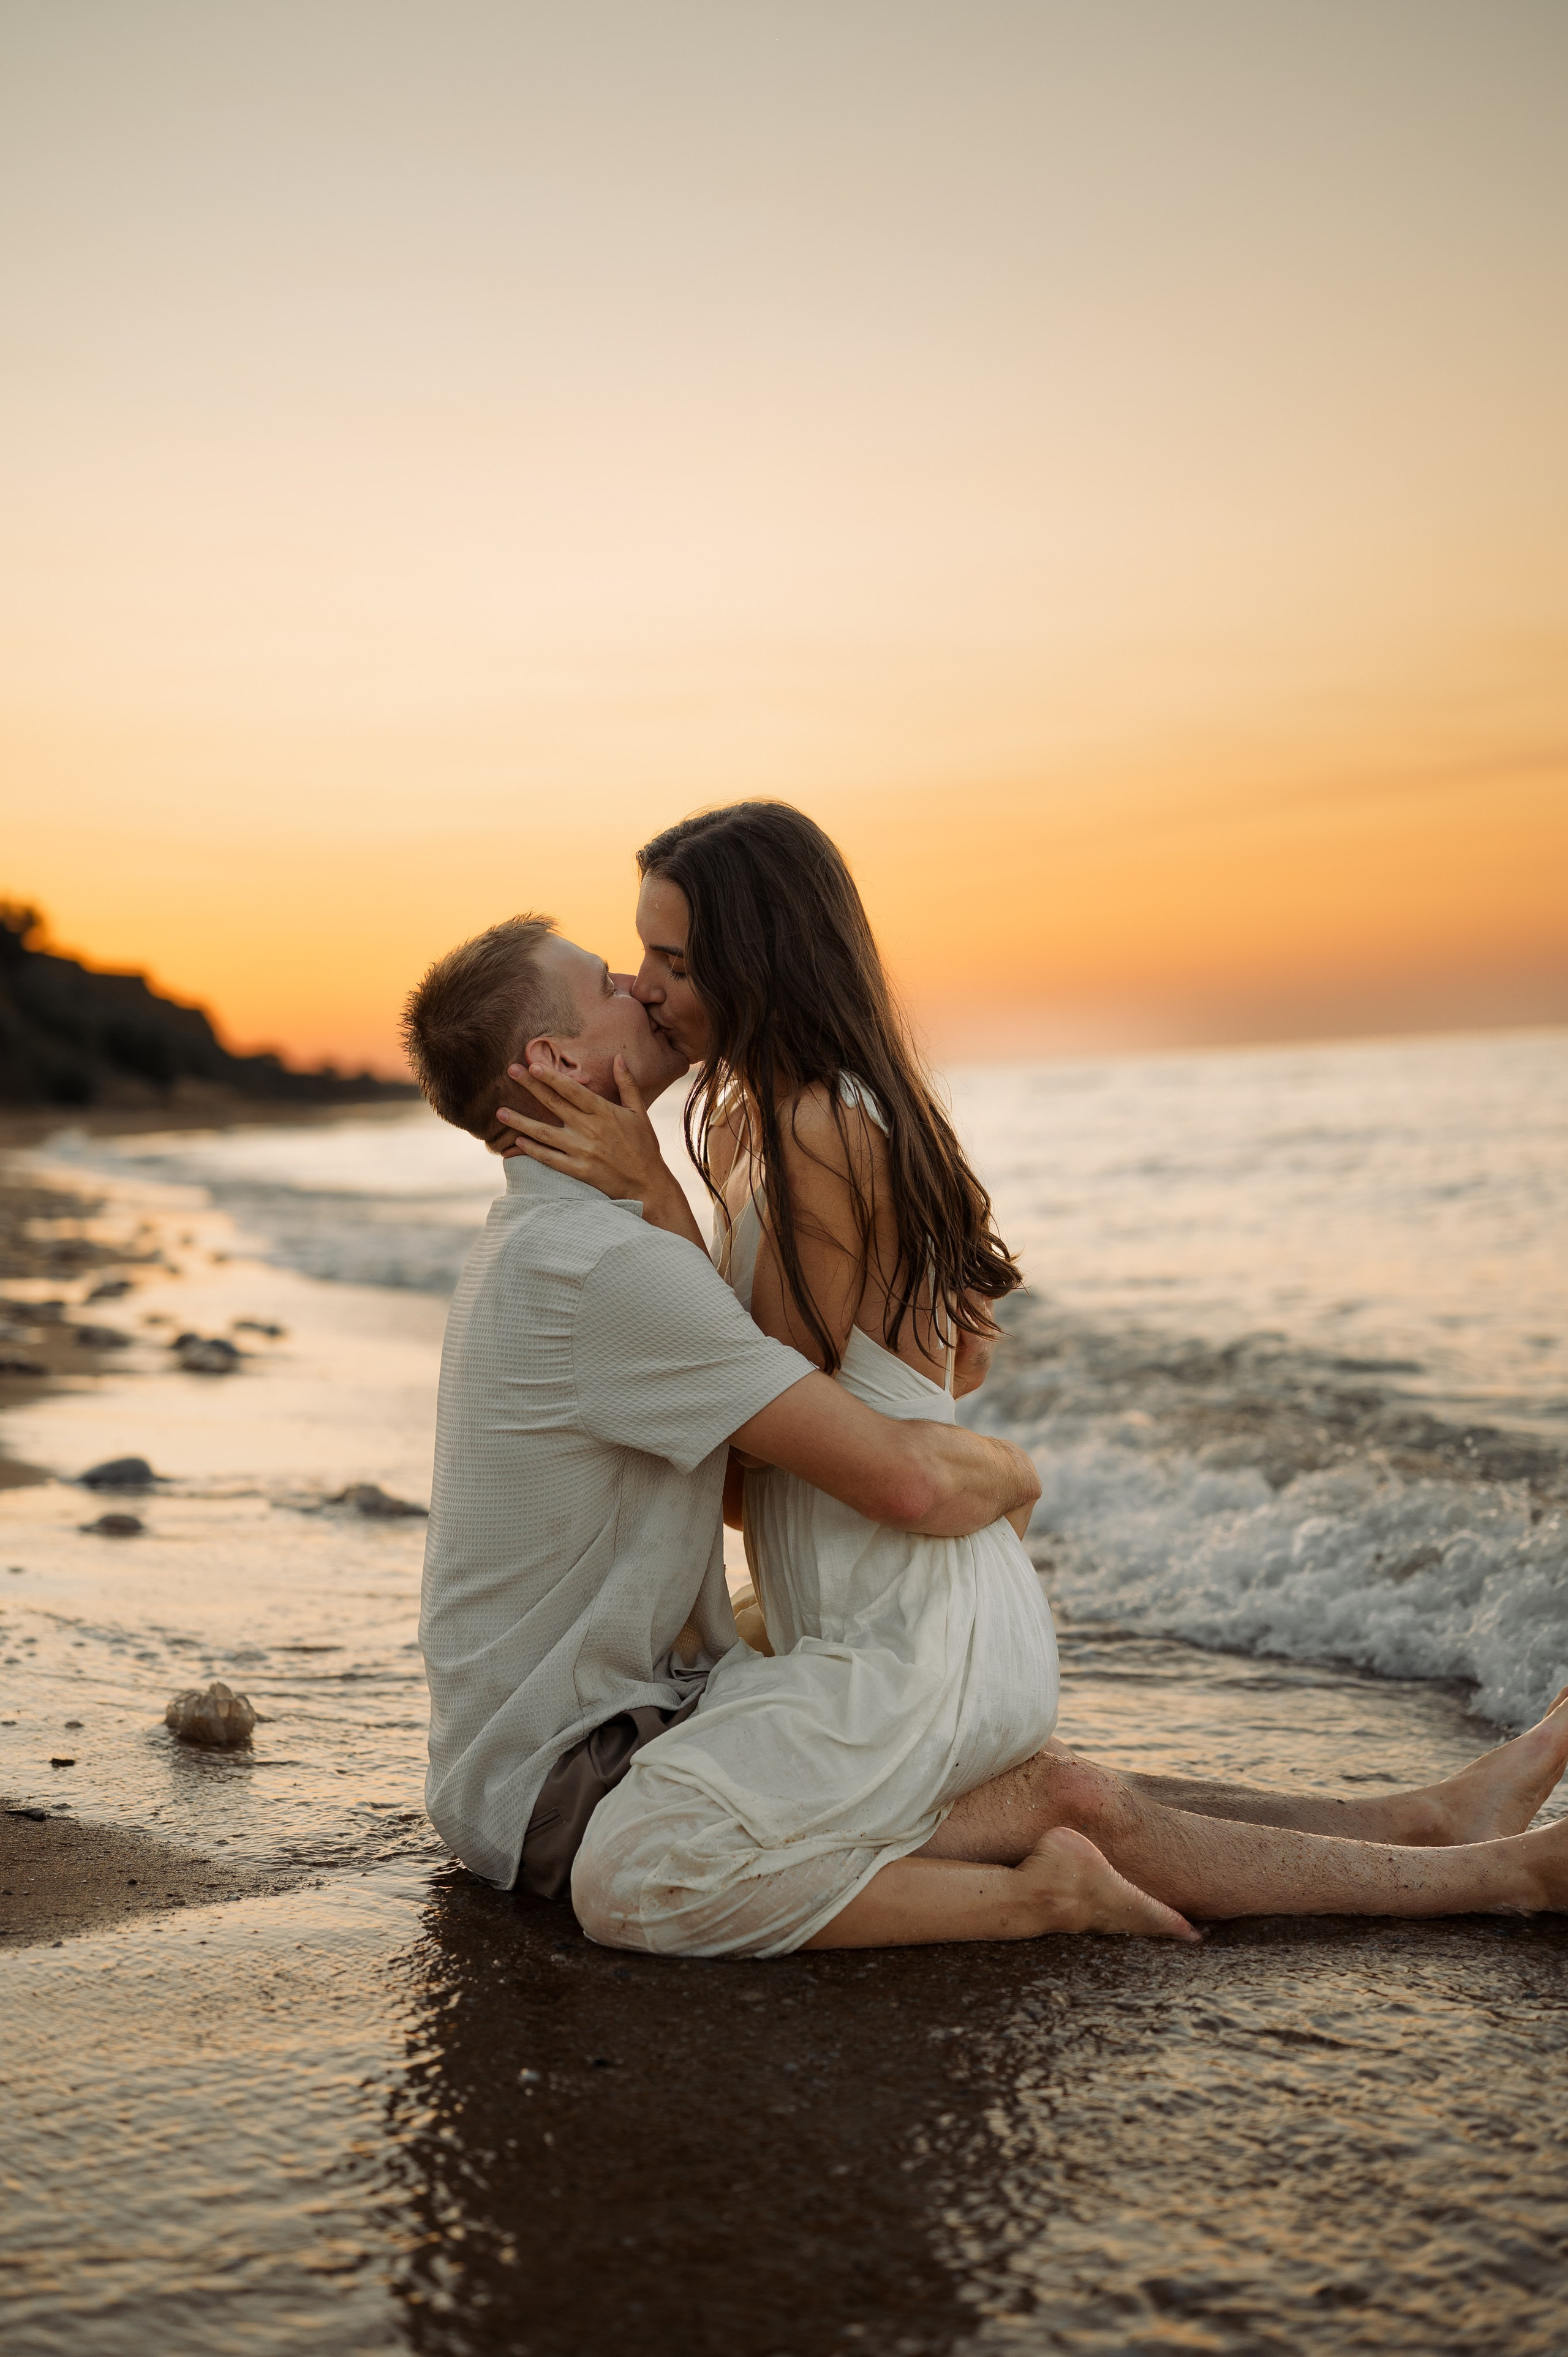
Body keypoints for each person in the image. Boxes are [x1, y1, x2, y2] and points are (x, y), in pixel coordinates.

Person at [497, 801, 1568, 1953]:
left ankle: (1499, 1871)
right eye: (642, 955)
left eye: (674, 958)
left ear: (760, 958)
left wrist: (657, 1210)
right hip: (910, 1603)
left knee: (792, 1840)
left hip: (902, 1626)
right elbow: (914, 1368)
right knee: (1047, 1803)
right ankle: (1435, 1823)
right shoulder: (803, 1120)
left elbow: (754, 1418)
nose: (649, 985)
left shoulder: (813, 1129)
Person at [401, 914, 1178, 1939]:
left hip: (533, 1743)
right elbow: (900, 1483)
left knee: (912, 1689)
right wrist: (1016, 1476)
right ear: (556, 1060)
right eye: (609, 981)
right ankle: (1045, 1898)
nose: (640, 985)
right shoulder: (607, 1265)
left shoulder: (545, 1239)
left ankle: (1413, 1832)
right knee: (1023, 1786)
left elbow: (757, 1451)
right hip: (576, 1779)